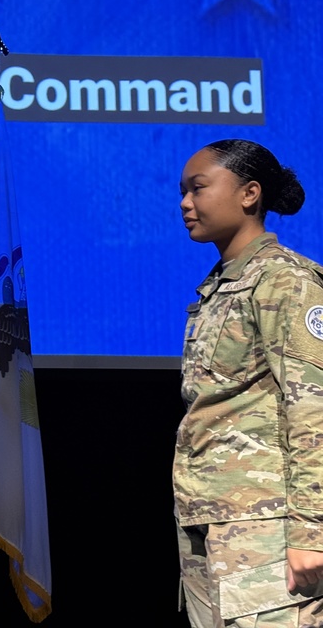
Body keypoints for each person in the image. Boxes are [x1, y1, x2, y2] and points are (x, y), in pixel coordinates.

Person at [175, 139, 323, 627]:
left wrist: (311, 532)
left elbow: (312, 410)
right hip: (211, 518)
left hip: (268, 528)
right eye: (182, 191)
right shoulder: (220, 286)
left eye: (198, 188)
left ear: (249, 194)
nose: (185, 203)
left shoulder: (286, 281)